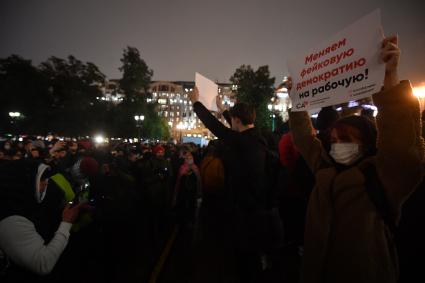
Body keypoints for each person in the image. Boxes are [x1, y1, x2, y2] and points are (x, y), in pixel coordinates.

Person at [288, 35, 424, 283]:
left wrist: (389, 83)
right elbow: (305, 139)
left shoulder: (382, 178)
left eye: (348, 139)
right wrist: (298, 102)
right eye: (335, 140)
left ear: (367, 144)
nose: (338, 145)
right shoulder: (324, 169)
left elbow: (401, 148)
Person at [188, 88, 274, 282]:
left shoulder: (242, 142)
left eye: (233, 119)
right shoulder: (257, 138)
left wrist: (196, 103)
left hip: (245, 212)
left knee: (245, 260)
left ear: (237, 120)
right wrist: (224, 110)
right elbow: (234, 130)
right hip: (258, 209)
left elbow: (216, 128)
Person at [0, 160, 83, 280]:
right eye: (41, 180)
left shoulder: (21, 204)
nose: (45, 185)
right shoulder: (11, 220)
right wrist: (66, 222)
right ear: (23, 182)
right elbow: (42, 264)